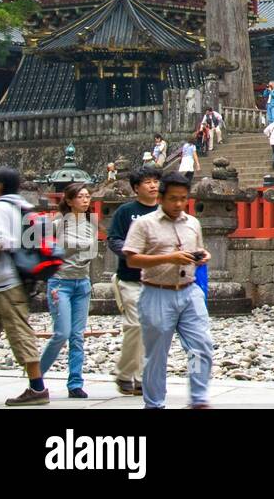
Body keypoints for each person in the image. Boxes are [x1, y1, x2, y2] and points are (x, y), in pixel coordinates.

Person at [122, 175, 215, 409]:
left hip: (189, 290)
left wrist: (202, 256)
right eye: (173, 199)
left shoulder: (193, 223)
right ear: (161, 198)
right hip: (156, 292)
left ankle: (198, 397)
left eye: (183, 199)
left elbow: (198, 249)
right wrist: (168, 258)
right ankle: (154, 404)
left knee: (200, 346)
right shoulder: (144, 224)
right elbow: (132, 259)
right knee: (156, 355)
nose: (178, 204)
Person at [0, 166, 49, 406]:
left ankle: (37, 388)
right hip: (20, 279)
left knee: (19, 332)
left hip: (6, 281)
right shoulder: (24, 207)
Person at [38, 182, 98, 399]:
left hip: (82, 283)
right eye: (80, 196)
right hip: (60, 283)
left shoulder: (91, 224)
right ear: (70, 200)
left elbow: (91, 251)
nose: (85, 199)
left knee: (77, 336)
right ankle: (36, 378)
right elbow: (42, 247)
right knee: (61, 333)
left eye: (87, 196)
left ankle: (75, 383)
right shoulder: (57, 223)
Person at [108, 165, 161, 396]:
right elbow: (114, 240)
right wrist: (133, 254)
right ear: (136, 187)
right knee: (136, 326)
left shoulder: (164, 211)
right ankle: (128, 373)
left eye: (155, 181)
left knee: (154, 330)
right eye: (147, 182)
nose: (153, 185)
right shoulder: (126, 211)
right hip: (130, 279)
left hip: (158, 281)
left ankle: (137, 377)